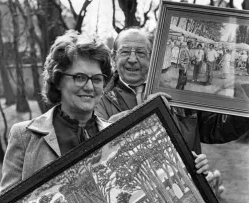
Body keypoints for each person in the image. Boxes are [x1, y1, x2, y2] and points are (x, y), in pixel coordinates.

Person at [0, 29, 210, 203]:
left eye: (97, 78)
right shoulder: (25, 136)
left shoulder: (119, 130)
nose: (89, 86)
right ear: (58, 80)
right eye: (79, 77)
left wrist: (196, 171)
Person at [95, 27, 249, 155]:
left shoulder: (177, 92)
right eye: (125, 52)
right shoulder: (98, 102)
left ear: (153, 57)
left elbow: (215, 128)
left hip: (184, 185)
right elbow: (99, 148)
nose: (133, 59)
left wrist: (243, 105)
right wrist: (146, 110)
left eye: (141, 53)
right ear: (114, 58)